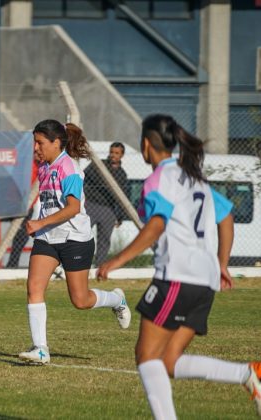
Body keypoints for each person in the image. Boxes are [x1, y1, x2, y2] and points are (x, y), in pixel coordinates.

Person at [96, 114, 260, 418]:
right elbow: (226, 218)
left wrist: (117, 260)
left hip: (177, 277)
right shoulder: (195, 178)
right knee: (168, 361)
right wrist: (221, 264)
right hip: (205, 281)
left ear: (146, 144)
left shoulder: (159, 179)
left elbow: (157, 224)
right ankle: (248, 374)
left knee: (146, 357)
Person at [19, 119, 131, 365]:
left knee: (80, 300)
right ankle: (40, 349)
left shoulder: (68, 168)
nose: (35, 148)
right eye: (34, 143)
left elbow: (73, 208)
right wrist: (41, 226)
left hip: (75, 239)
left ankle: (116, 299)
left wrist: (39, 222)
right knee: (34, 288)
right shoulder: (45, 167)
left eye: (40, 143)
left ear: (56, 142)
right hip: (48, 238)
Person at [83, 142, 129, 266]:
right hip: (91, 205)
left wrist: (120, 217)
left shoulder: (122, 174)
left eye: (116, 153)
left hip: (109, 209)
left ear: (122, 155)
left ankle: (99, 266)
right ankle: (79, 262)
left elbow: (123, 196)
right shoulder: (99, 165)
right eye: (111, 152)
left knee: (104, 240)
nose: (113, 155)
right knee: (82, 234)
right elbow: (84, 175)